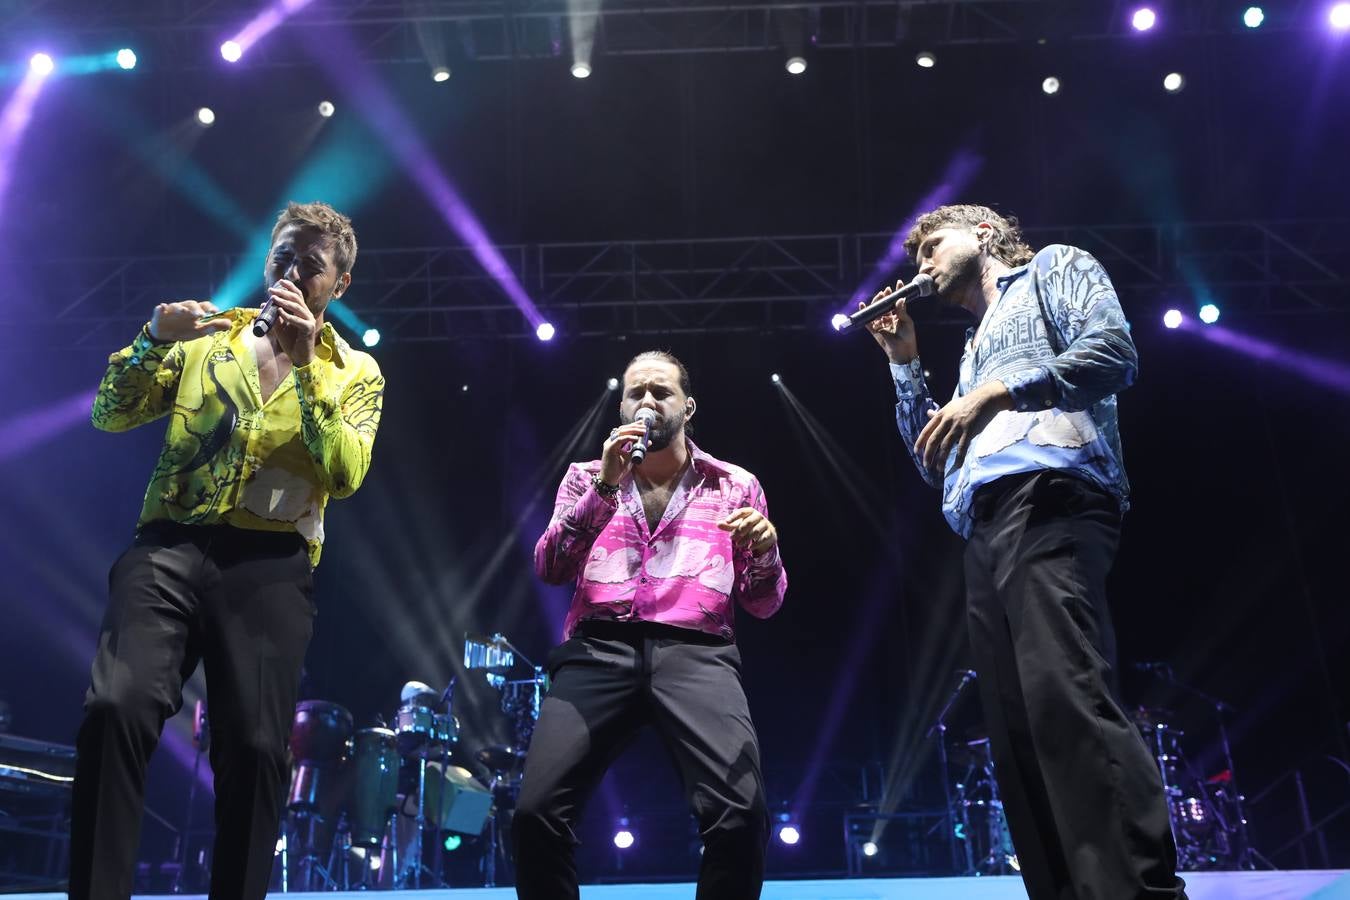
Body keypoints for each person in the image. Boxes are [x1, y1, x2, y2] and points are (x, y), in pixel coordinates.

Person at [864, 204, 1185, 899]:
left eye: (929, 251)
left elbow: (1115, 354)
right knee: (1016, 735)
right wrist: (905, 365)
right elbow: (934, 461)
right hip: (983, 523)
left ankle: (1138, 891)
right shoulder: (973, 347)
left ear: (982, 234)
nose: (919, 269)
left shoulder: (1053, 268)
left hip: (1051, 496)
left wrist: (1001, 390)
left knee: (1066, 697)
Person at [70, 201, 384, 900]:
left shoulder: (355, 372)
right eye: (282, 256)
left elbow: (345, 474)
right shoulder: (207, 337)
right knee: (116, 706)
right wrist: (153, 336)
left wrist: (305, 370)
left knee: (254, 749)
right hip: (169, 548)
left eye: (311, 264)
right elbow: (109, 412)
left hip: (271, 564)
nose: (292, 272)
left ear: (341, 283)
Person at [514, 350, 787, 900]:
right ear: (620, 408)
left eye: (660, 392)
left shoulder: (735, 485)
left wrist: (764, 551)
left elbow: (763, 603)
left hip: (698, 652)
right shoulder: (585, 478)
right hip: (599, 650)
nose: (646, 402)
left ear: (688, 407)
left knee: (741, 814)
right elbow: (550, 567)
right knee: (534, 814)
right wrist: (606, 490)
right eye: (635, 393)